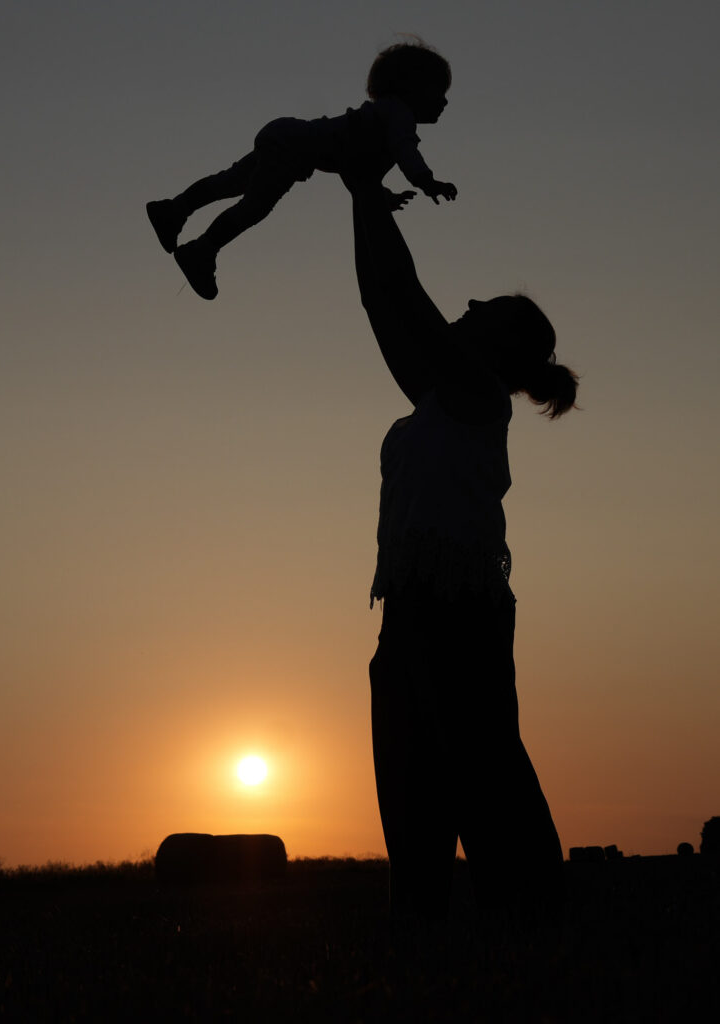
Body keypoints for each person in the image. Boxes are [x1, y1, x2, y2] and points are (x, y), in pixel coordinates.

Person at [346, 173, 579, 930]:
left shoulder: (476, 394)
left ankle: (535, 924)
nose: (472, 304)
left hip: (460, 608)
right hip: (412, 610)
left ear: (502, 347)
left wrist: (373, 202)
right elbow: (382, 303)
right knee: (413, 779)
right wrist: (361, 197)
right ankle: (424, 933)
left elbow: (406, 299)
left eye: (490, 308)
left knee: (481, 773)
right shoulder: (438, 395)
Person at [146, 41, 457, 300]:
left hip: (286, 135)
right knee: (253, 206)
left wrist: (382, 196)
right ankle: (201, 250)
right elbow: (406, 151)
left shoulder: (380, 117)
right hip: (292, 148)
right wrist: (427, 181)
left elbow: (354, 170)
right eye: (438, 91)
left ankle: (174, 210)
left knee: (229, 182)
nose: (444, 101)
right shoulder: (399, 116)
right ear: (411, 87)